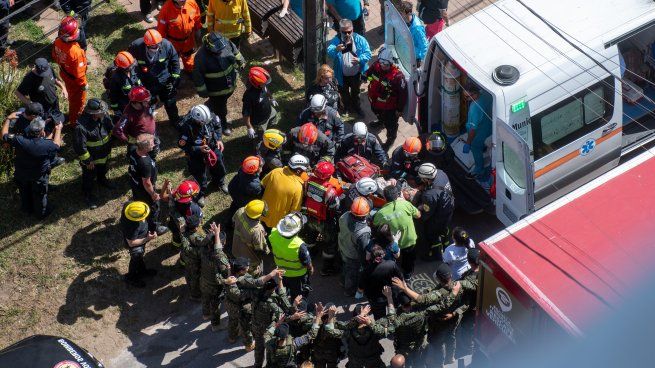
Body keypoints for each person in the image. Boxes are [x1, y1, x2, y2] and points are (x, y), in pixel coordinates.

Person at [393, 264, 473, 367]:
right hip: (454, 321)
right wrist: (454, 313)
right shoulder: (459, 286)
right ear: (451, 275)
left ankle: (439, 363)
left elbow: (422, 299)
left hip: (439, 324)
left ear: (439, 278)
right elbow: (466, 303)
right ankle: (450, 358)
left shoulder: (440, 293)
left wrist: (405, 288)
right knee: (451, 337)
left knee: (438, 344)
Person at [2, 116, 62, 218]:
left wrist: (8, 119)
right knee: (39, 194)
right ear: (42, 131)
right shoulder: (46, 145)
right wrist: (58, 129)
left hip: (21, 174)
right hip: (38, 176)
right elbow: (57, 145)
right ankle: (41, 213)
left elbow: (4, 135)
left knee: (24, 191)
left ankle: (27, 209)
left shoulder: (19, 140)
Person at [193, 32, 245, 136]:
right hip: (215, 91)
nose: (220, 51)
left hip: (230, 85)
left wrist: (241, 61)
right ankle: (223, 124)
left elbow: (235, 52)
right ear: (208, 46)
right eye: (217, 50)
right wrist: (203, 91)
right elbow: (198, 76)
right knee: (221, 109)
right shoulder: (200, 57)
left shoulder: (225, 42)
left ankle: (210, 105)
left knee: (221, 102)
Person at [225, 260, 283, 350]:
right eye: (246, 267)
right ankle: (248, 345)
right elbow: (257, 282)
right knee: (245, 326)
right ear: (241, 271)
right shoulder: (242, 279)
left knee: (232, 320)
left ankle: (232, 337)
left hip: (230, 304)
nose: (248, 267)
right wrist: (271, 274)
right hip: (241, 307)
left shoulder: (231, 276)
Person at [128, 29, 181, 126]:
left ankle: (175, 121)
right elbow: (129, 63)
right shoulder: (136, 46)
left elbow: (175, 62)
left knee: (170, 103)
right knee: (147, 104)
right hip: (146, 82)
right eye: (154, 45)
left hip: (164, 80)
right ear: (146, 44)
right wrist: (136, 81)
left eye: (159, 44)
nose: (158, 46)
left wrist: (174, 80)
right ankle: (148, 125)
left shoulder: (166, 45)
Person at [178, 103, 228, 202]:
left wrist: (218, 139)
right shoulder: (186, 126)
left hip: (212, 146)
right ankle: (200, 193)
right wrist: (198, 149)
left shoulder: (210, 116)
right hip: (196, 153)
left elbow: (218, 126)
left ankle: (219, 182)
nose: (205, 124)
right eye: (202, 122)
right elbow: (183, 145)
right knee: (199, 173)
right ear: (195, 119)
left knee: (218, 164)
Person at [302, 161, 343, 276]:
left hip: (310, 216)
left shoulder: (308, 181)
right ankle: (326, 268)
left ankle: (310, 254)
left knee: (310, 237)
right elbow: (335, 207)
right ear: (329, 176)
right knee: (330, 243)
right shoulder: (330, 191)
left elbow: (305, 195)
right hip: (324, 221)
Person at [73, 98, 115, 209]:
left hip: (104, 153)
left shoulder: (104, 117)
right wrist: (87, 160)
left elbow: (111, 129)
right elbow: (79, 147)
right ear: (94, 113)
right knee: (89, 178)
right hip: (92, 160)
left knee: (103, 169)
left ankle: (102, 180)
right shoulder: (81, 127)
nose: (105, 112)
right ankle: (87, 195)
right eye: (102, 111)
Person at [373, 184, 420, 281]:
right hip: (409, 240)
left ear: (385, 197)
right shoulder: (406, 204)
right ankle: (407, 276)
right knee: (409, 260)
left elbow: (375, 223)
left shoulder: (381, 213)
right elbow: (418, 215)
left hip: (393, 243)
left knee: (393, 259)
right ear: (398, 195)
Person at [327, 19, 371, 116]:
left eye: (349, 32)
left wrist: (360, 59)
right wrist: (336, 49)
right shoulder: (337, 40)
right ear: (340, 30)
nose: (347, 34)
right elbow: (329, 50)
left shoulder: (359, 39)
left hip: (356, 74)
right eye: (344, 32)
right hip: (342, 75)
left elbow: (368, 53)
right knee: (344, 94)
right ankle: (347, 107)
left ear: (352, 29)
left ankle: (357, 107)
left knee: (356, 93)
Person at [365, 47, 407, 149]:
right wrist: (365, 76)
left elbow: (403, 95)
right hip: (375, 100)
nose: (383, 66)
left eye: (386, 64)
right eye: (381, 63)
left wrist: (399, 109)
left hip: (389, 107)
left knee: (391, 125)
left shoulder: (397, 77)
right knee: (376, 112)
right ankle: (380, 122)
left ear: (391, 63)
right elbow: (369, 73)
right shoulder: (376, 65)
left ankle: (390, 140)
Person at [128, 133, 168, 235]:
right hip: (144, 189)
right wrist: (153, 194)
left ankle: (142, 217)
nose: (154, 145)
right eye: (151, 144)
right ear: (145, 147)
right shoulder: (145, 163)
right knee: (154, 207)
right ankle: (154, 228)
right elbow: (147, 182)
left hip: (136, 185)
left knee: (139, 201)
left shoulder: (133, 150)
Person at [52, 15, 87, 126]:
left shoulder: (57, 41)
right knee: (77, 102)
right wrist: (84, 84)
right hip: (75, 81)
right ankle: (74, 122)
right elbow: (79, 75)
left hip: (64, 73)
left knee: (72, 97)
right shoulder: (76, 52)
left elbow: (54, 56)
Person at [269, 212, 314, 298]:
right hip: (298, 277)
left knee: (283, 293)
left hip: (281, 273)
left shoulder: (273, 234)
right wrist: (311, 269)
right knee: (299, 297)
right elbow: (307, 263)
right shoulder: (299, 245)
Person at [415, 162, 454, 260]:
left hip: (439, 216)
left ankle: (436, 255)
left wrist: (419, 209)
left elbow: (427, 213)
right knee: (445, 229)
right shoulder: (441, 173)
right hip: (449, 207)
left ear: (426, 179)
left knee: (432, 233)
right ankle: (447, 243)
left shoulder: (429, 195)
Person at [252, 276, 293, 368]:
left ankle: (257, 365)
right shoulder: (271, 303)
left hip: (256, 325)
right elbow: (282, 316)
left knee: (258, 347)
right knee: (269, 348)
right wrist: (293, 317)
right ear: (273, 289)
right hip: (268, 329)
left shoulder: (257, 294)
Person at [260, 154, 309, 229]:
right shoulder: (298, 187)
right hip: (277, 224)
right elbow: (295, 210)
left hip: (262, 214)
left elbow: (263, 185)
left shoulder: (275, 171)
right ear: (298, 170)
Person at [198, 221, 230, 331]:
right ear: (222, 243)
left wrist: (212, 235)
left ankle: (205, 314)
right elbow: (219, 254)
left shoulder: (203, 250)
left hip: (203, 281)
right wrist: (216, 235)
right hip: (215, 286)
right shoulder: (218, 258)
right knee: (215, 305)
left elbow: (203, 242)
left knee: (205, 298)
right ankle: (215, 325)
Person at [15, 58, 67, 126]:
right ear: (35, 68)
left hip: (54, 102)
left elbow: (55, 80)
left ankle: (55, 123)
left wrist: (63, 88)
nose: (45, 75)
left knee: (55, 117)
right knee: (45, 124)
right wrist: (31, 103)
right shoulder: (29, 78)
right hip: (42, 107)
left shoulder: (49, 68)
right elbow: (18, 93)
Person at [344, 301, 395, 368]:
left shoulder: (347, 330)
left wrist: (359, 316)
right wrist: (389, 297)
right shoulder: (376, 329)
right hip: (374, 363)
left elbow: (333, 328)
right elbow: (391, 320)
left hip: (355, 364)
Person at [338, 197, 371, 297]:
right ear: (365, 214)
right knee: (352, 274)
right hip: (352, 255)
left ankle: (342, 281)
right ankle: (349, 291)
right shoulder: (363, 232)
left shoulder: (344, 216)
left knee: (345, 267)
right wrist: (365, 263)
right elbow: (363, 250)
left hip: (343, 246)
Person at [358, 246, 403, 319]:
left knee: (379, 318)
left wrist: (359, 292)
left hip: (376, 299)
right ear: (384, 254)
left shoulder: (366, 271)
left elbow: (361, 288)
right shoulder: (391, 264)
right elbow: (400, 278)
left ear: (371, 257)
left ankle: (382, 328)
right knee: (395, 312)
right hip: (392, 294)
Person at [113, 86, 159, 157]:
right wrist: (131, 140)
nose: (147, 103)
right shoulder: (128, 114)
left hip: (152, 136)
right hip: (143, 143)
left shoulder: (144, 105)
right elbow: (117, 130)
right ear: (136, 103)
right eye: (145, 101)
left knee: (154, 151)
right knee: (143, 158)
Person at [157, 0, 203, 72]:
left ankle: (189, 70)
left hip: (189, 42)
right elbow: (161, 32)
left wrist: (198, 39)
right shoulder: (165, 10)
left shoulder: (192, 3)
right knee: (173, 61)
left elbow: (197, 22)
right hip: (173, 44)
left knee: (188, 58)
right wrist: (163, 48)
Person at [121, 201, 159, 287]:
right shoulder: (131, 226)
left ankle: (142, 271)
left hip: (141, 238)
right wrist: (147, 239)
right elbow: (131, 243)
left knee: (139, 258)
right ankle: (131, 278)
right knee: (136, 257)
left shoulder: (130, 207)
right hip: (136, 245)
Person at [462, 81, 493, 184]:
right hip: (489, 127)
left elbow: (473, 130)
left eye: (467, 97)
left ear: (475, 94)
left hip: (479, 134)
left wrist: (468, 143)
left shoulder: (474, 108)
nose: (465, 99)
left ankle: (479, 170)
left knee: (476, 149)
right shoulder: (487, 94)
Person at [243, 66, 279, 146]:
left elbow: (266, 90)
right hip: (259, 122)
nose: (265, 85)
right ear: (256, 85)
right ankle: (259, 149)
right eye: (263, 84)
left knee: (273, 125)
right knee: (259, 139)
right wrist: (249, 127)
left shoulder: (262, 86)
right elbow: (246, 113)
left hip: (270, 113)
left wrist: (272, 98)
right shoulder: (249, 96)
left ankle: (270, 133)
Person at [232, 199, 268, 276]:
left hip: (235, 248)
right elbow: (259, 249)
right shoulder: (257, 230)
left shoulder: (241, 210)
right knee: (254, 272)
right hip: (249, 260)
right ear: (258, 215)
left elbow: (233, 222)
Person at [456, 248, 479, 358]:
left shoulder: (470, 276)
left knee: (468, 329)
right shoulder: (482, 272)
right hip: (476, 308)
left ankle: (468, 348)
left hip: (470, 309)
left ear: (469, 261)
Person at [167, 179, 202, 248]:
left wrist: (170, 193)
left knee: (176, 237)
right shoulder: (194, 208)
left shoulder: (175, 199)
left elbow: (171, 202)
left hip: (173, 224)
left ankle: (175, 245)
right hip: (186, 229)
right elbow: (199, 219)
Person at [107, 51, 142, 118]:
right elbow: (113, 96)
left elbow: (139, 82)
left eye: (132, 65)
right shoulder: (115, 78)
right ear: (122, 68)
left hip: (137, 102)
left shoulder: (134, 69)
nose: (132, 68)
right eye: (129, 67)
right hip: (125, 105)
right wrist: (116, 110)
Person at [310, 303, 345, 368]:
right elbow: (342, 336)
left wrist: (317, 317)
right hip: (331, 353)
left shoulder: (316, 323)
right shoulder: (336, 324)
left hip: (318, 352)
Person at [180, 212, 204, 300]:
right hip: (193, 261)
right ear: (195, 228)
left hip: (186, 259)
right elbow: (189, 250)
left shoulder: (183, 231)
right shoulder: (193, 236)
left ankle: (191, 288)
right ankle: (195, 295)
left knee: (188, 273)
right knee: (195, 277)